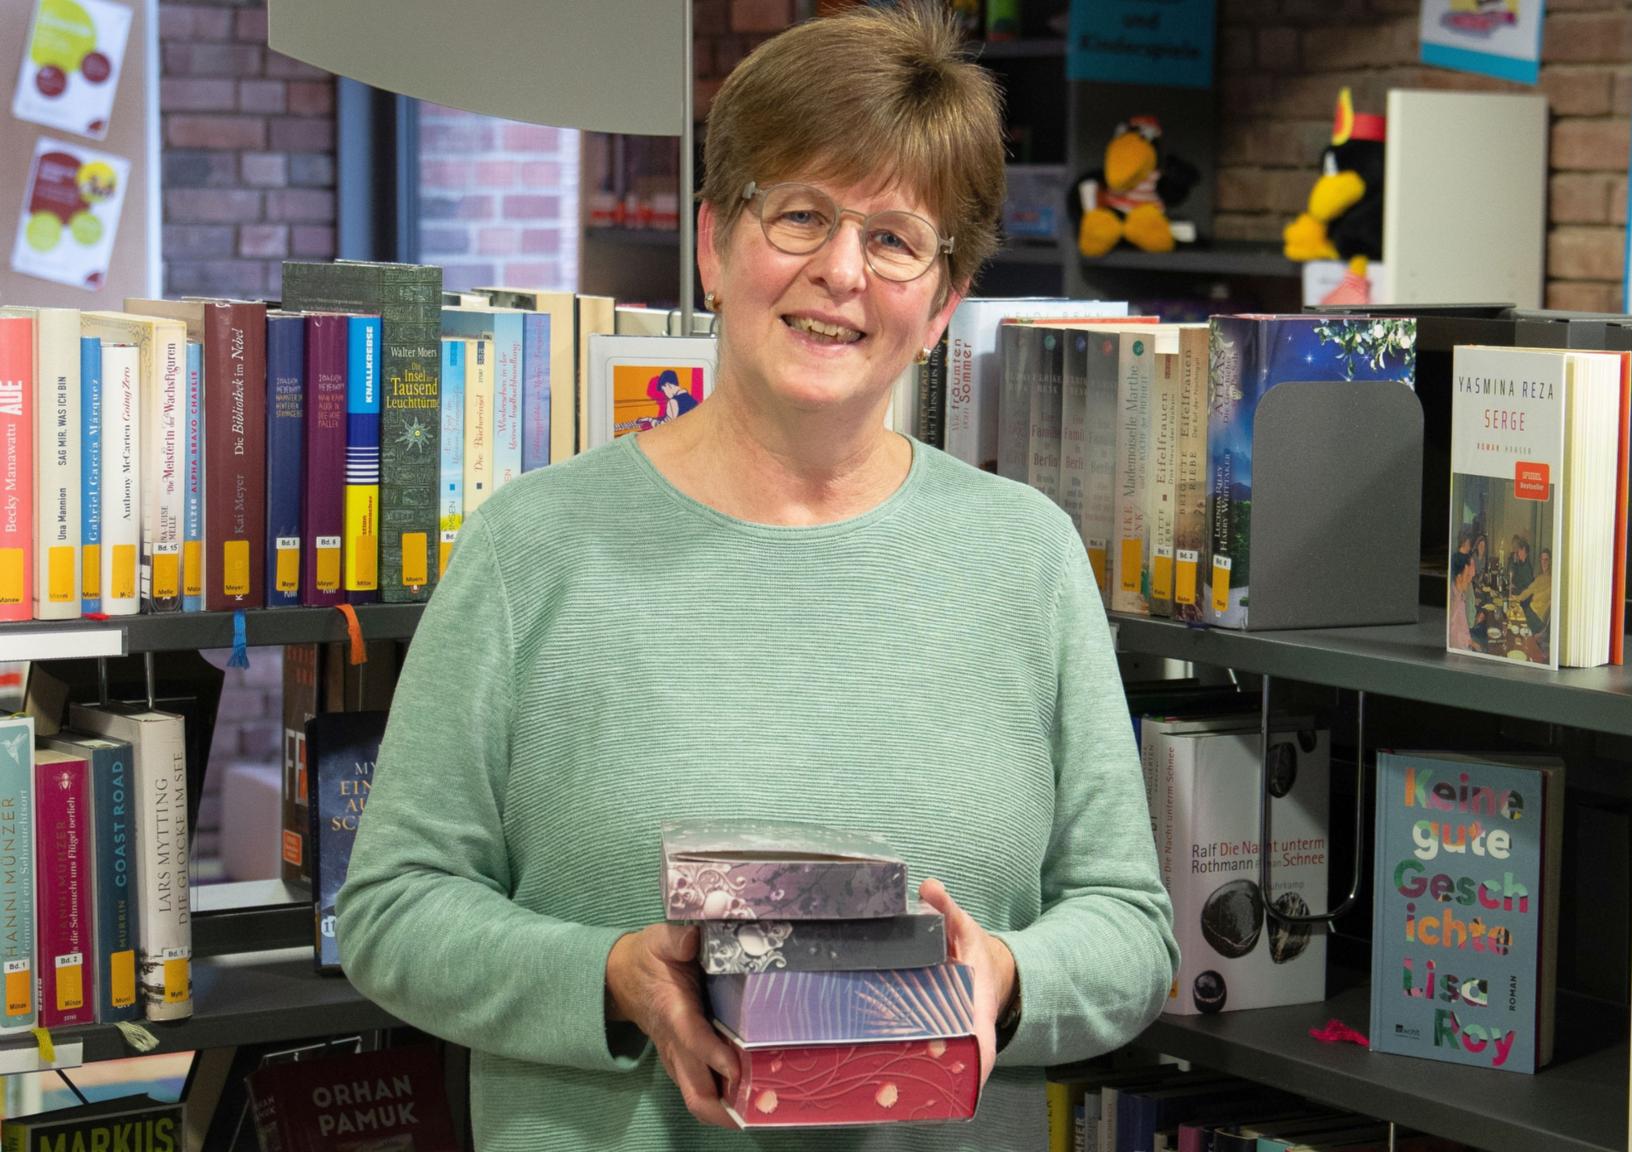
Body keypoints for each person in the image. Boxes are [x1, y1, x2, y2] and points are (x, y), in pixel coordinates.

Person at [335, 7, 1176, 1150]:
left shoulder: (1025, 557)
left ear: (939, 301)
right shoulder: (531, 549)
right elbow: (389, 915)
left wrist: (1008, 975)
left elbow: (1130, 930)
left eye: (893, 239)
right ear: (714, 245)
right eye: (800, 215)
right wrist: (613, 975)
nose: (839, 271)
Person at [1447, 551, 1481, 651]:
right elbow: (1457, 642)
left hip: (1468, 641)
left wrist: (1470, 641)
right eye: (1467, 576)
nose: (1469, 580)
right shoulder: (1455, 604)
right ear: (1458, 577)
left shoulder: (1459, 593)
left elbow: (1463, 629)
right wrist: (1471, 644)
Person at [1516, 546, 1553, 636]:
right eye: (1542, 559)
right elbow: (1529, 590)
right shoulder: (1539, 577)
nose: (1543, 562)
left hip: (1538, 618)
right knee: (1514, 620)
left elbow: (1546, 596)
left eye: (1546, 560)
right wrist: (1517, 598)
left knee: (1518, 629)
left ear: (1550, 561)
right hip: (1530, 611)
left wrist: (1535, 597)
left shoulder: (1553, 579)